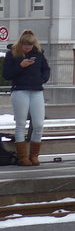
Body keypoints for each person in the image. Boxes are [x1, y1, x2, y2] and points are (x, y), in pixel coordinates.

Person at [3, 29, 51, 167]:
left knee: (39, 124)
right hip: (20, 90)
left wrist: (42, 79)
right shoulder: (12, 54)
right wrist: (20, 66)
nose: (27, 48)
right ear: (21, 44)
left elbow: (46, 69)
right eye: (25, 46)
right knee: (21, 124)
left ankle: (34, 155)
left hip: (36, 90)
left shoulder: (38, 54)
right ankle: (23, 157)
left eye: (29, 46)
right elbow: (7, 74)